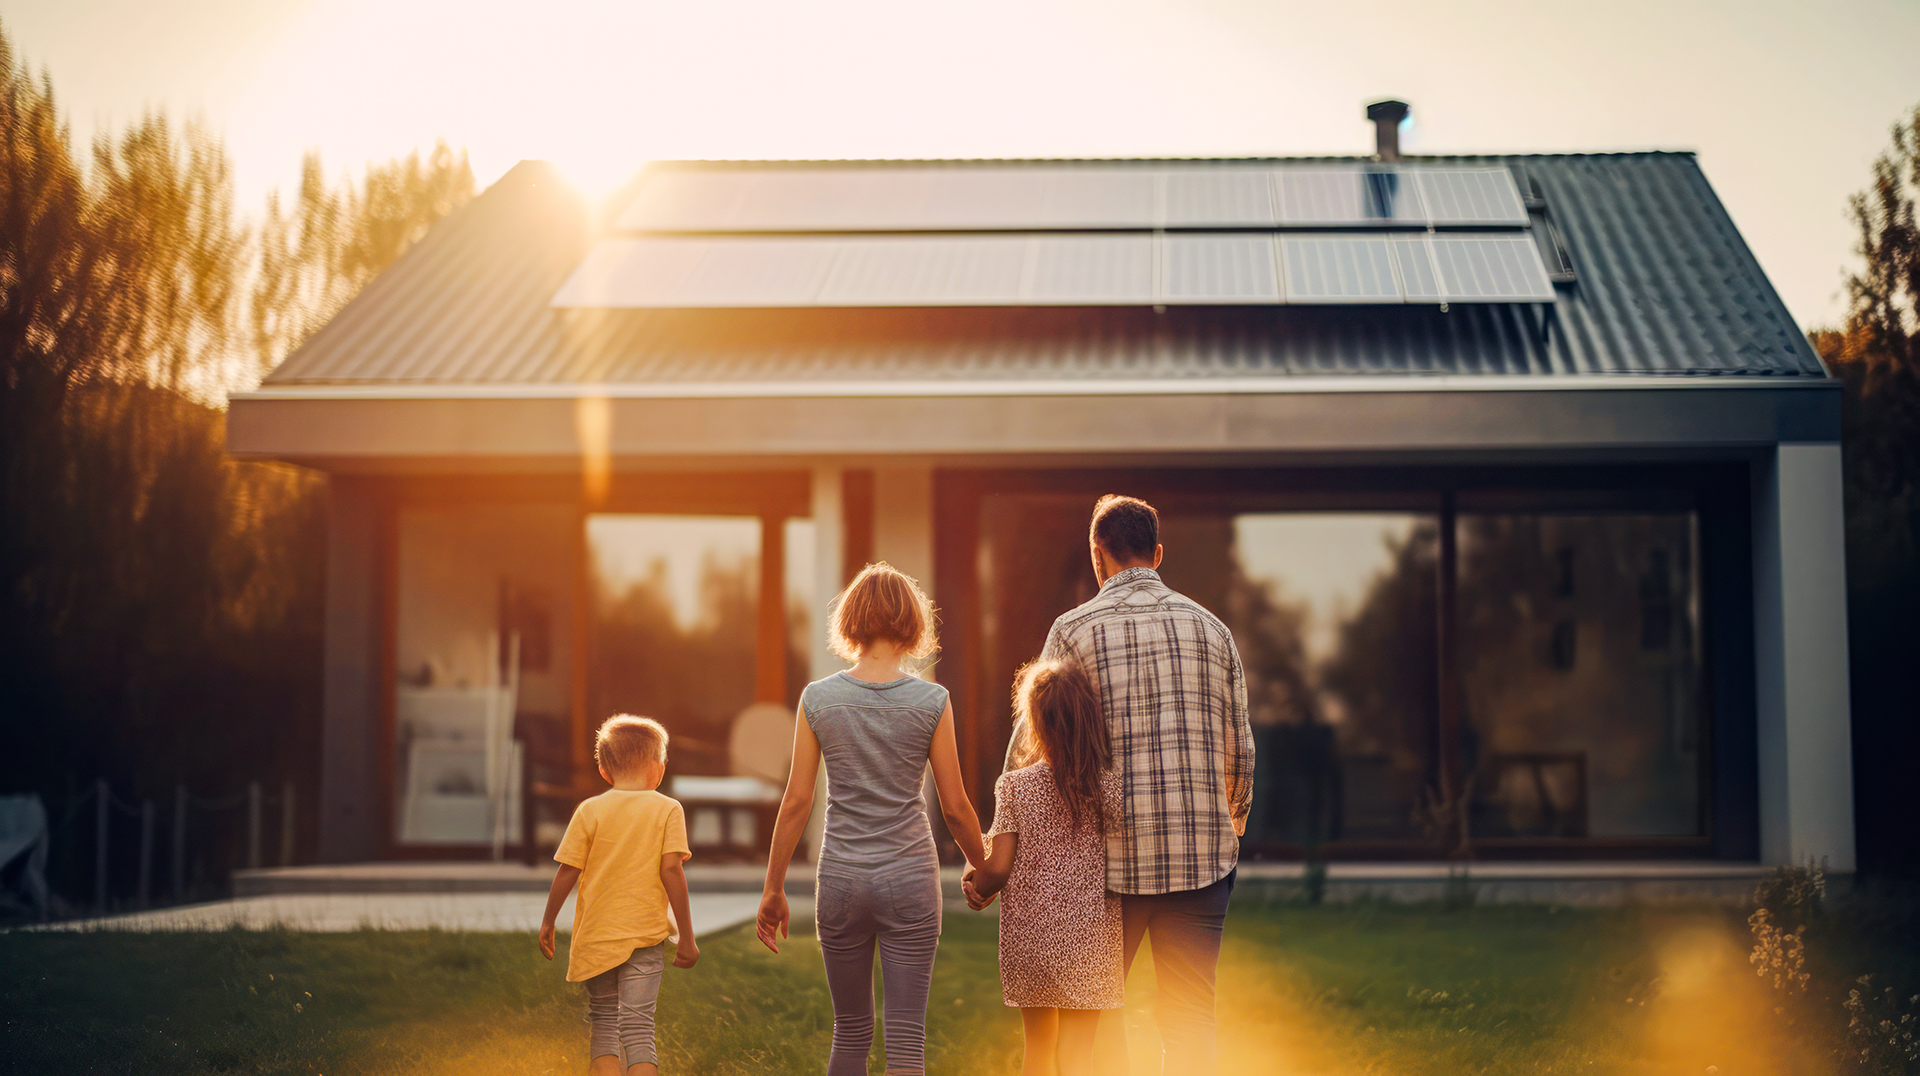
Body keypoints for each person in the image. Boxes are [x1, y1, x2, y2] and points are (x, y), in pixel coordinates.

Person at [988, 494, 1254, 1075]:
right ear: (1157, 554)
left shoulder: (1073, 630)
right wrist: (1227, 831)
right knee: (1189, 1015)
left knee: (1100, 1017)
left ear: (1097, 554)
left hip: (1104, 866)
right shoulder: (1213, 631)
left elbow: (1031, 743)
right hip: (1201, 859)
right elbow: (1241, 752)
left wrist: (999, 843)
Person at [757, 562, 990, 1076]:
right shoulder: (933, 700)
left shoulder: (818, 698)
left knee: (850, 1031)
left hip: (840, 878)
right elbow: (954, 806)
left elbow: (797, 801)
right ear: (912, 624)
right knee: (906, 1039)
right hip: (908, 878)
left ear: (852, 622)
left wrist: (773, 888)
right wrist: (984, 867)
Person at [964, 658, 1123, 1076]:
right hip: (1089, 940)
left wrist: (975, 877)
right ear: (1089, 717)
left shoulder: (1014, 786)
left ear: (1034, 722)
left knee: (1037, 1050)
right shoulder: (1109, 786)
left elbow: (997, 869)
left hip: (1030, 940)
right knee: (1077, 1056)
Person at [539, 714, 699, 1076]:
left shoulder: (590, 810)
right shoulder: (667, 809)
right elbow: (672, 870)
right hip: (643, 935)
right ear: (657, 769)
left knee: (604, 1025)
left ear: (604, 770)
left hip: (597, 935)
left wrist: (548, 922)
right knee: (639, 1029)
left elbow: (567, 871)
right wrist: (686, 936)